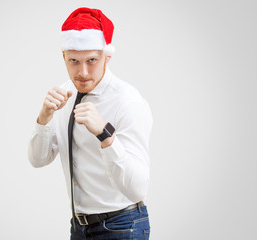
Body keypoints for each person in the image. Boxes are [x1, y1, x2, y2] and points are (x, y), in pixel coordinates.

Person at [28, 7, 153, 240]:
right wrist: (44, 118)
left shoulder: (127, 101)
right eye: (74, 60)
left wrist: (105, 134)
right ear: (63, 57)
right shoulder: (63, 94)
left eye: (92, 60)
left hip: (122, 225)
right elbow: (38, 160)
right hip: (79, 227)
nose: (82, 72)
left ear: (107, 57)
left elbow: (138, 189)